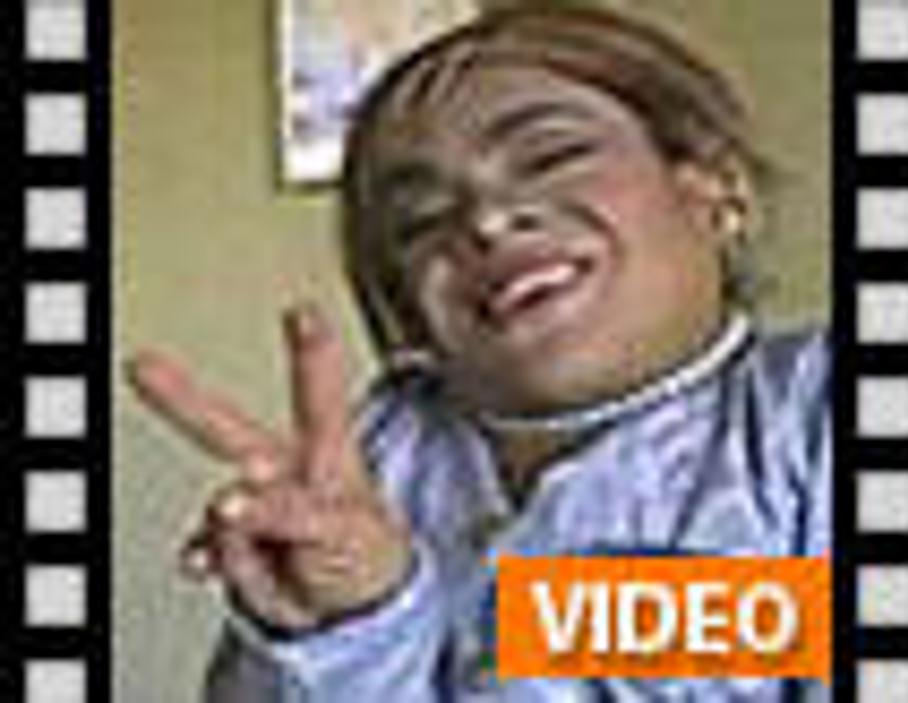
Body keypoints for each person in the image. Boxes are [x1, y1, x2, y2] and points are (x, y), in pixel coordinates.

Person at [128, 5, 831, 701]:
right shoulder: (369, 464)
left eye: (552, 157)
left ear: (715, 189)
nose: (486, 221)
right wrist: (347, 630)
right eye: (421, 219)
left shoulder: (810, 415)